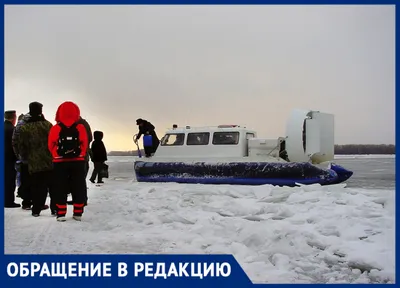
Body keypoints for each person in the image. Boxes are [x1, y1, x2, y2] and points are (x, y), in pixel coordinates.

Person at [48, 101, 88, 222]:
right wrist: (80, 154)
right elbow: (85, 144)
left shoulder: (56, 128)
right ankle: (78, 212)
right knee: (79, 186)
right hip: (78, 161)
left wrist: (57, 155)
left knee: (60, 186)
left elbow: (51, 145)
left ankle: (60, 213)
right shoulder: (80, 127)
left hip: (60, 162)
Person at [17, 102, 54, 217]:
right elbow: (54, 142)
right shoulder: (48, 125)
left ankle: (36, 210)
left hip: (34, 161)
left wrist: (24, 157)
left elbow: (21, 146)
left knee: (37, 186)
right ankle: (55, 209)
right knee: (52, 185)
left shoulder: (25, 128)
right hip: (49, 160)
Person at [4, 110, 20, 208]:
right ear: (14, 118)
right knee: (9, 181)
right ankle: (8, 201)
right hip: (10, 158)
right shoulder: (12, 129)